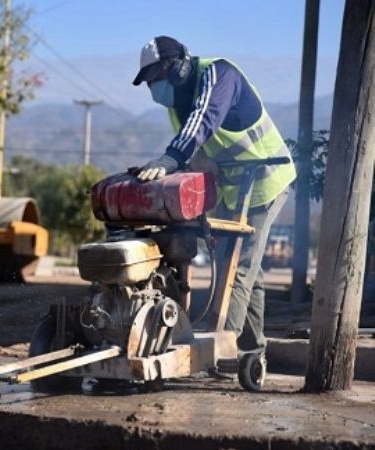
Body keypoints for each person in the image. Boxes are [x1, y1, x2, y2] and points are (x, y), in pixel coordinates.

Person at [131, 36, 297, 381]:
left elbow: (204, 120)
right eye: (147, 84)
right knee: (245, 268)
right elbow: (197, 157)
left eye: (155, 79)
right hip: (232, 188)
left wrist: (169, 157)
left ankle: (219, 347)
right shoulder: (176, 106)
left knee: (236, 266)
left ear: (176, 68)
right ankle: (254, 354)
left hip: (266, 180)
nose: (153, 90)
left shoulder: (219, 75)